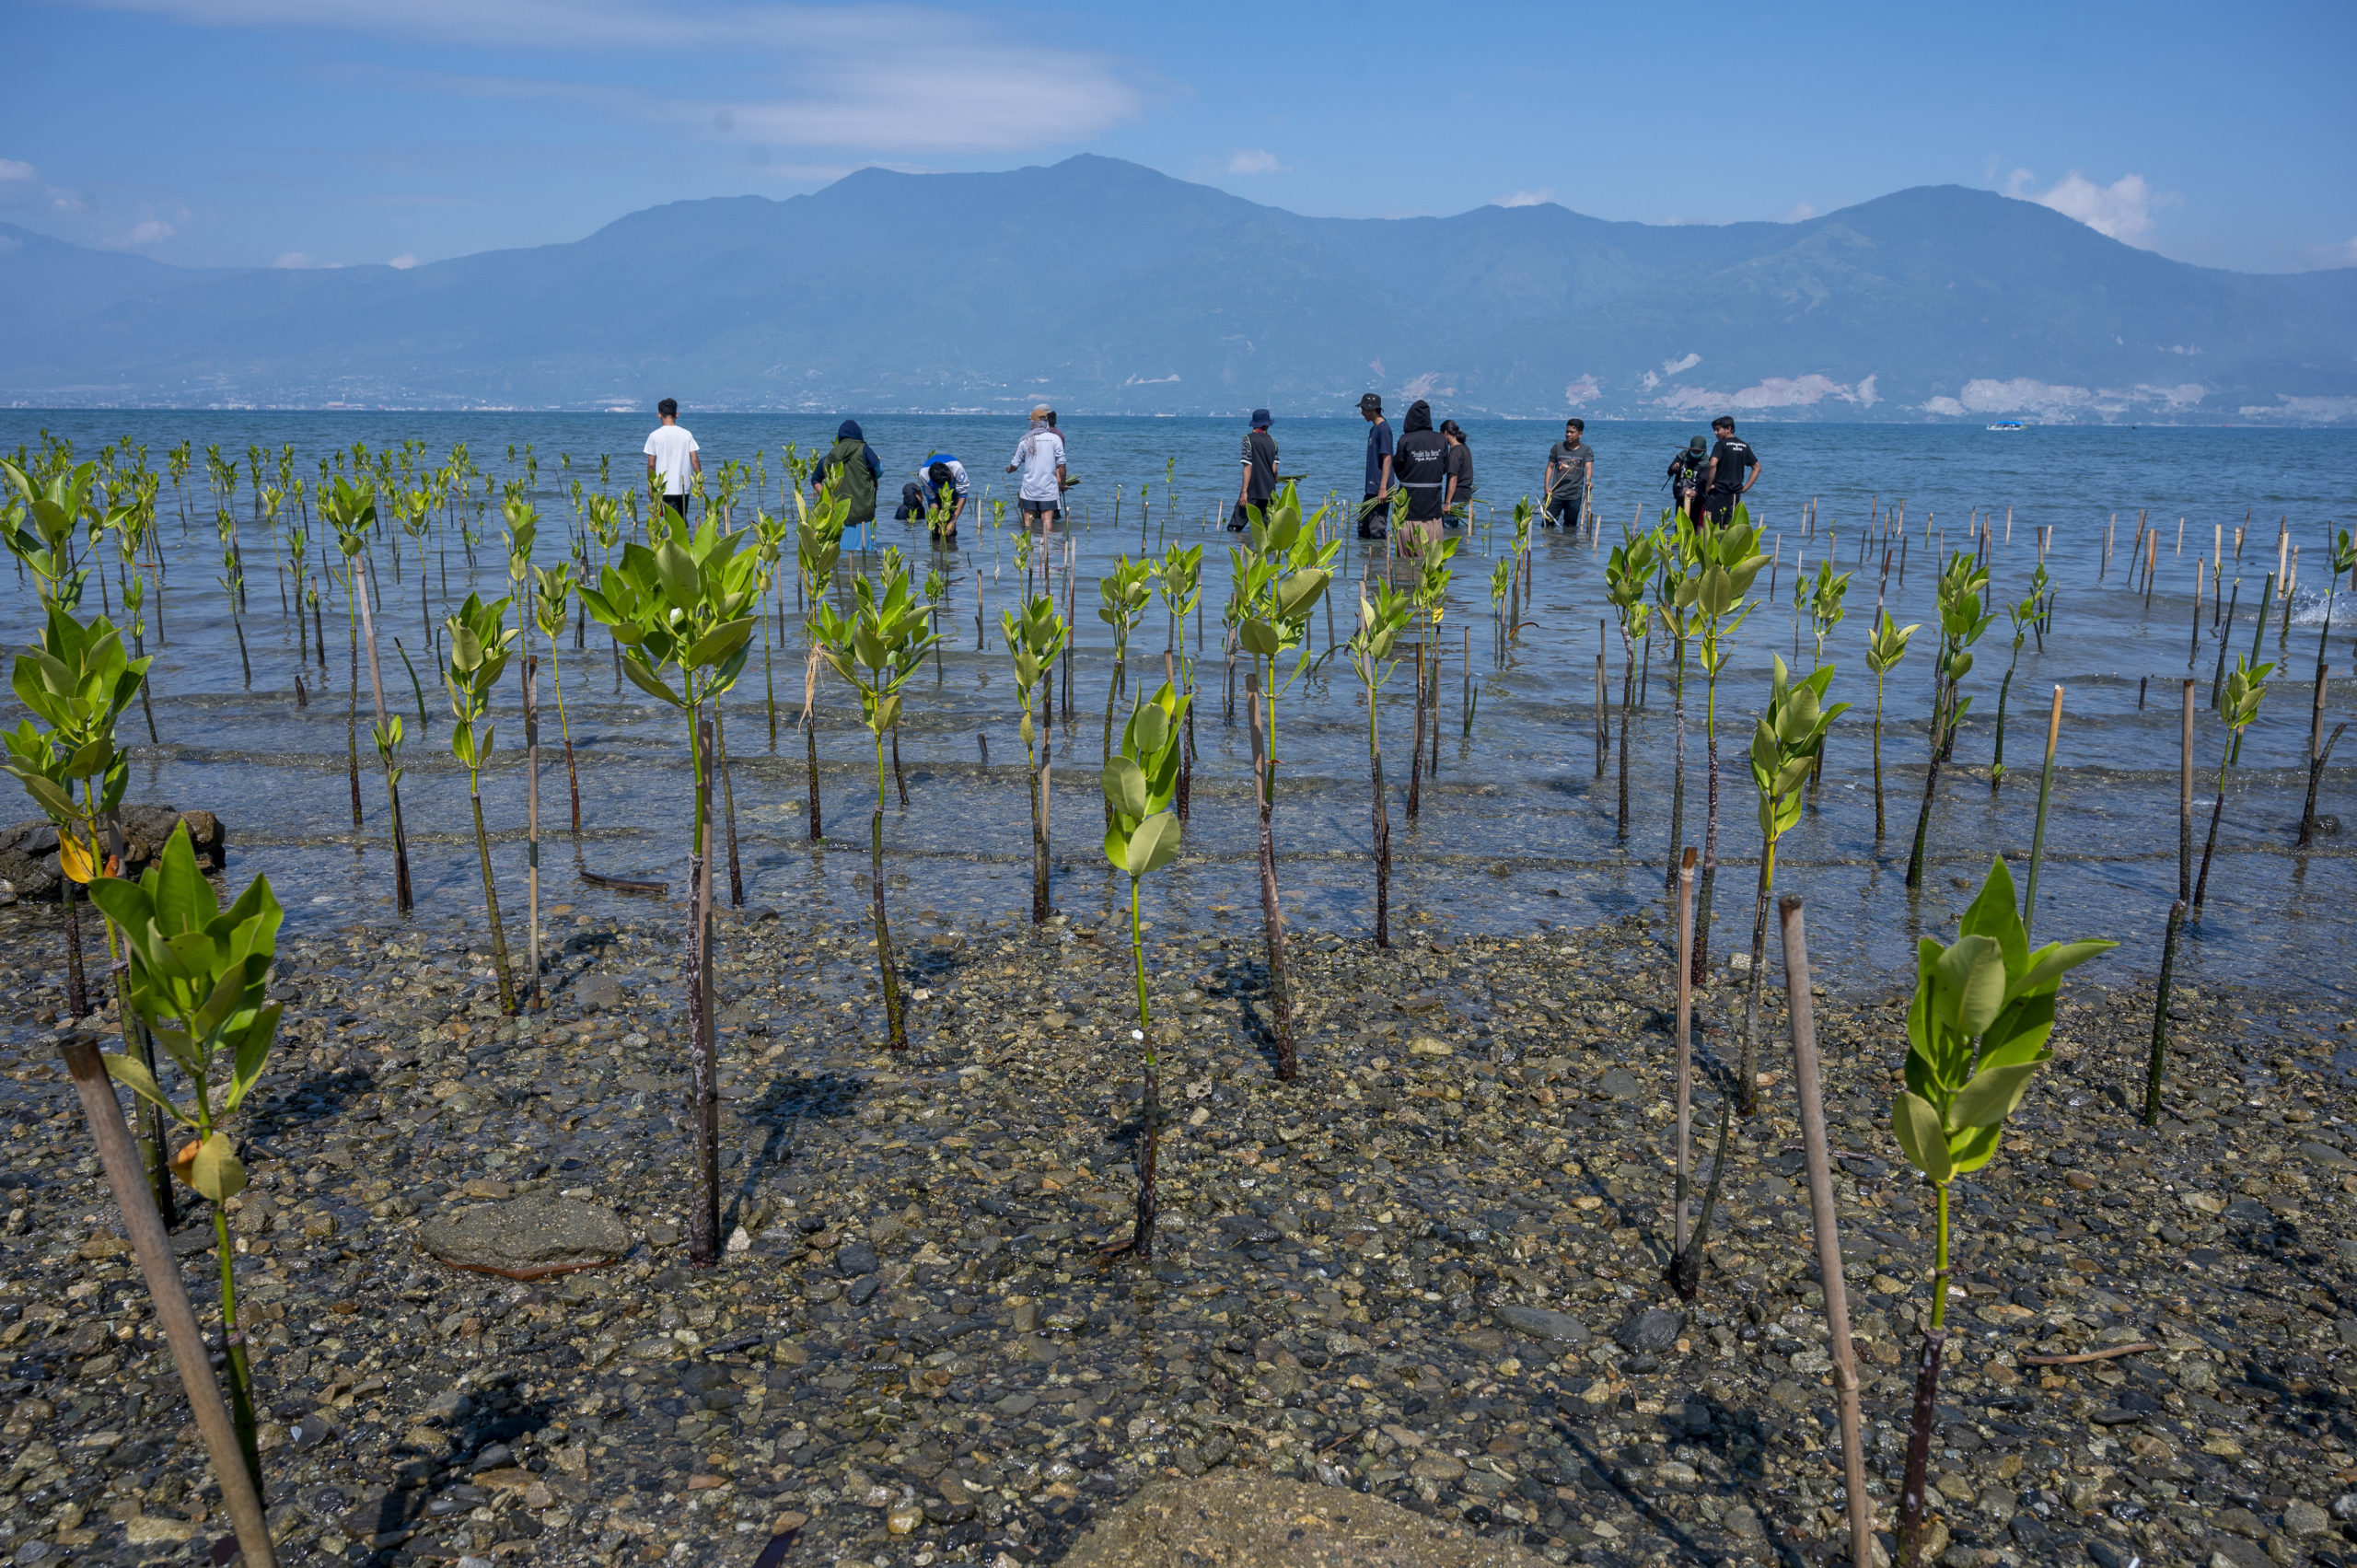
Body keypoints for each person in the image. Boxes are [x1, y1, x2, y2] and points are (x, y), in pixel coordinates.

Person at [812, 418, 882, 548]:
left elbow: (815, 479)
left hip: (839, 517)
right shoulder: (864, 449)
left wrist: (827, 498)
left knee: (840, 557)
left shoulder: (829, 457)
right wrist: (873, 478)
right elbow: (879, 469)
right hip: (863, 516)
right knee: (866, 556)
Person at [1391, 400, 1448, 548]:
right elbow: (1444, 467)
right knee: (1431, 556)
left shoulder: (1405, 440)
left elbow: (1397, 466)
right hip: (1433, 507)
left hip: (1409, 507)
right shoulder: (1440, 440)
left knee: (1407, 556)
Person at [1006, 407, 1067, 528]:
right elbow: (1062, 465)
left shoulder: (1025, 440)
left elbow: (1015, 464)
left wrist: (1008, 470)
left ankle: (1028, 545)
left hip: (1030, 487)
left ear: (1033, 423)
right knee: (1047, 520)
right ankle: (1048, 544)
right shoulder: (1055, 439)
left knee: (1028, 519)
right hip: (1049, 487)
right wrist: (1063, 483)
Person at [643, 398, 700, 516]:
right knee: (681, 520)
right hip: (684, 487)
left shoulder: (654, 436)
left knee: (672, 524)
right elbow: (694, 459)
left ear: (659, 415)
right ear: (677, 415)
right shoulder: (686, 434)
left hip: (664, 488)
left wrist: (651, 486)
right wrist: (699, 483)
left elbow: (651, 465)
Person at [1701, 416, 1761, 525]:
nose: (1715, 433)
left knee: (1706, 524)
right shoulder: (1744, 446)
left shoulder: (1721, 444)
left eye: (1718, 429)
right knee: (1727, 526)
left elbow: (1712, 464)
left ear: (1728, 429)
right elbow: (1757, 468)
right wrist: (1745, 488)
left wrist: (1708, 485)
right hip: (1735, 494)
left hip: (1718, 492)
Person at [1233, 408, 1279, 530]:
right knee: (1266, 531)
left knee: (1235, 527)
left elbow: (1248, 466)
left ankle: (1239, 548)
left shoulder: (1247, 440)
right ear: (1267, 425)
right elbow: (1274, 470)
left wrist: (1244, 492)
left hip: (1253, 492)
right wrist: (1274, 480)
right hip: (1269, 493)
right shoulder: (1273, 442)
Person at [1544, 418, 1593, 530]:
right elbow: (1550, 467)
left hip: (1574, 495)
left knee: (1570, 528)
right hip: (1555, 494)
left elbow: (1588, 467)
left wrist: (1588, 481)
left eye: (1572, 432)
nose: (1568, 434)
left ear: (1580, 434)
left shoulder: (1586, 450)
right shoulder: (1558, 447)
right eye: (1567, 431)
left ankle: (1568, 547)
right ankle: (1550, 546)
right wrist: (1546, 487)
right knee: (1547, 525)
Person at [1356, 392, 1394, 538]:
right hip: (1371, 488)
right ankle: (1366, 559)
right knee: (1363, 527)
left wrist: (1383, 487)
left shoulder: (1384, 429)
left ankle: (1379, 558)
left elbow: (1387, 458)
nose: (1362, 413)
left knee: (1376, 529)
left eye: (1364, 409)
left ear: (1372, 409)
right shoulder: (1374, 429)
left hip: (1380, 488)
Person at [1439, 419, 1475, 528]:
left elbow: (1453, 478)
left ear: (1445, 433)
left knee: (1449, 530)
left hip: (1456, 497)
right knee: (1456, 530)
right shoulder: (1465, 448)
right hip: (1465, 495)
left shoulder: (1455, 452)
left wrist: (1448, 503)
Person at [1666, 435, 1708, 524]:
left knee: (1695, 525)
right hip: (1681, 497)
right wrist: (1674, 468)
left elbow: (1704, 482)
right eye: (1694, 450)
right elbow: (1669, 472)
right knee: (1680, 525)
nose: (1696, 453)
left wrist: (1696, 492)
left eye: (1698, 451)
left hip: (1697, 500)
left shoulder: (1706, 462)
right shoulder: (1682, 456)